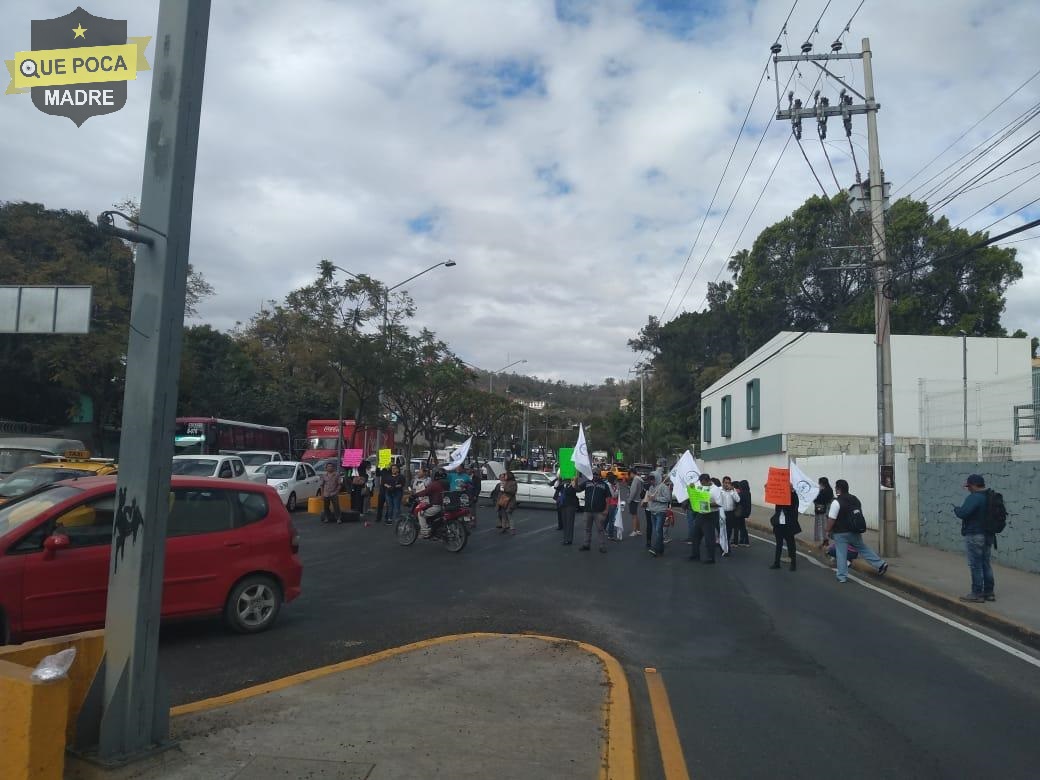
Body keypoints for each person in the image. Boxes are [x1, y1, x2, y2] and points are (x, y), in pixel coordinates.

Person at [825, 479, 889, 583]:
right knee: (863, 548)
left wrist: (827, 530)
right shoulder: (855, 499)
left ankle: (841, 576)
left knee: (841, 553)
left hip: (840, 533)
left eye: (836, 488)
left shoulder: (836, 502)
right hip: (855, 531)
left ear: (838, 489)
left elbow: (832, 519)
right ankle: (880, 564)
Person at [953, 473, 996, 603]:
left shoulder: (974, 498)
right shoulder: (990, 496)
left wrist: (957, 510)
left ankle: (977, 593)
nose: (968, 489)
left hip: (975, 535)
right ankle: (989, 592)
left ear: (974, 485)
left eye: (969, 486)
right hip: (988, 535)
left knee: (975, 565)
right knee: (986, 564)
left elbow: (964, 513)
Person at [688, 473, 719, 564]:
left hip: (711, 514)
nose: (702, 485)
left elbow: (720, 503)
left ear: (708, 481)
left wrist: (708, 504)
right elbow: (695, 490)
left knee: (709, 537)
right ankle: (695, 555)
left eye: (703, 483)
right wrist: (692, 488)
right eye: (700, 483)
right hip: (700, 514)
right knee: (695, 535)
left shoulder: (715, 490)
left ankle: (711, 557)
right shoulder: (701, 486)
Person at [770, 488, 801, 571]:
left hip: (788, 524)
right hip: (779, 524)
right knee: (778, 544)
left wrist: (793, 492)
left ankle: (793, 564)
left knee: (791, 545)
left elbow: (796, 502)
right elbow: (773, 497)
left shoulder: (792, 497)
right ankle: (776, 563)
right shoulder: (779, 498)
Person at [580, 471, 611, 553]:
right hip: (587, 511)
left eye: (597, 474)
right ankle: (586, 545)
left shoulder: (604, 485)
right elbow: (577, 489)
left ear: (600, 476)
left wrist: (606, 510)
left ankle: (602, 546)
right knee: (587, 529)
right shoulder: (587, 483)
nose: (595, 476)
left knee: (600, 529)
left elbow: (608, 498)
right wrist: (575, 482)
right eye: (594, 474)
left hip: (599, 512)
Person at [413, 468, 447, 538]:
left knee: (421, 514)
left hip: (436, 506)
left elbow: (425, 492)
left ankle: (424, 532)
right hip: (444, 505)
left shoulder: (434, 484)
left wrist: (414, 495)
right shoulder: (446, 483)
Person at [646, 475, 673, 557]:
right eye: (650, 481)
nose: (651, 482)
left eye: (652, 480)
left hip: (660, 511)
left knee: (658, 530)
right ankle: (660, 549)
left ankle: (656, 549)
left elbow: (668, 498)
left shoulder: (663, 487)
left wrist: (656, 498)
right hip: (653, 511)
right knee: (657, 531)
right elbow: (650, 498)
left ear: (656, 479)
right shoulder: (651, 487)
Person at [559, 476, 582, 545]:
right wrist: (558, 479)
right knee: (565, 522)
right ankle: (565, 538)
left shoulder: (573, 486)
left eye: (565, 479)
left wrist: (575, 483)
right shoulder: (562, 485)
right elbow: (555, 486)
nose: (565, 480)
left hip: (570, 506)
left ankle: (569, 539)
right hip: (563, 505)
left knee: (570, 522)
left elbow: (578, 490)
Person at [720, 476, 739, 554]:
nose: (727, 484)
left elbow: (738, 499)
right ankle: (724, 547)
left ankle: (726, 546)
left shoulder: (733, 490)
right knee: (722, 531)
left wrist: (732, 491)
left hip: (731, 513)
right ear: (723, 483)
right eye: (725, 482)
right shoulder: (719, 490)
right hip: (721, 513)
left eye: (728, 483)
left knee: (729, 531)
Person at [814, 476, 834, 545]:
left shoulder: (823, 491)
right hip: (828, 510)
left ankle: (824, 539)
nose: (819, 484)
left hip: (822, 510)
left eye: (819, 483)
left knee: (821, 524)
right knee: (825, 524)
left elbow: (819, 500)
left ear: (822, 483)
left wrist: (815, 499)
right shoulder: (830, 490)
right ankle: (826, 539)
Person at [734, 479, 752, 546]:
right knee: (742, 527)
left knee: (738, 527)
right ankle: (743, 541)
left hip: (740, 512)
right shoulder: (748, 492)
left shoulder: (741, 493)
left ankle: (739, 541)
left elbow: (737, 500)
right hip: (745, 512)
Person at [628, 471, 645, 536]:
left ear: (632, 473)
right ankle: (638, 530)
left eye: (630, 475)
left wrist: (629, 499)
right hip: (638, 498)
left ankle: (634, 530)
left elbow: (633, 491)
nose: (630, 476)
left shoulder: (635, 479)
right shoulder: (640, 479)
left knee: (634, 516)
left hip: (634, 499)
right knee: (636, 515)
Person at [605, 473, 621, 541]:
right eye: (615, 479)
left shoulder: (611, 485)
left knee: (608, 518)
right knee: (611, 519)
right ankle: (610, 535)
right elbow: (613, 495)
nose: (616, 481)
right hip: (611, 504)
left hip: (612, 503)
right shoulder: (609, 485)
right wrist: (617, 489)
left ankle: (604, 529)